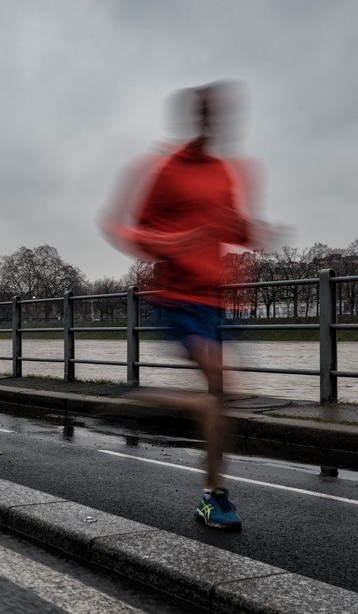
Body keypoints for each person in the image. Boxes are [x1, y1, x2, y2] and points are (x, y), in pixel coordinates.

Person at [101, 82, 272, 531]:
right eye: (211, 113)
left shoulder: (225, 171)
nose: (219, 122)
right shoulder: (165, 170)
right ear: (197, 117)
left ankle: (206, 488)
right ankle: (212, 494)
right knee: (217, 387)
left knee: (221, 398)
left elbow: (232, 223)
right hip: (179, 298)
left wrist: (255, 231)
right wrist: (172, 241)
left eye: (225, 114)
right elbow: (123, 228)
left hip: (217, 300)